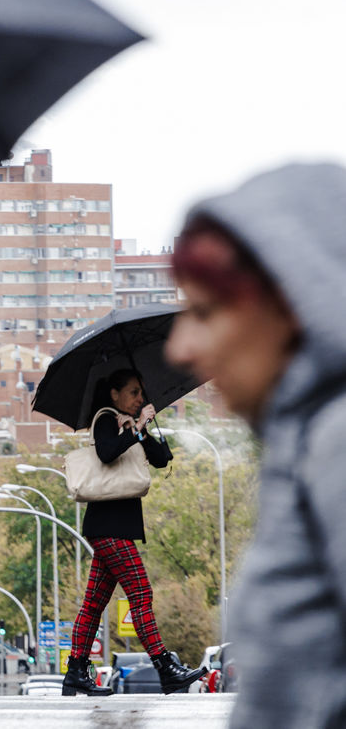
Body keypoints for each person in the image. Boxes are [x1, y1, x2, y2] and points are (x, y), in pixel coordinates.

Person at [164, 164, 346, 726]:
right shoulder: (306, 440)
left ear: (291, 305)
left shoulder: (337, 438)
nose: (179, 348)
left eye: (205, 312)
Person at [62, 369, 204, 696]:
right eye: (133, 392)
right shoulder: (105, 419)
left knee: (93, 604)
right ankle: (165, 668)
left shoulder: (131, 425)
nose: (140, 398)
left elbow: (162, 459)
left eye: (141, 393)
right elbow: (106, 453)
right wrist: (135, 427)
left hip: (115, 529)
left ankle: (76, 672)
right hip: (108, 527)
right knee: (140, 592)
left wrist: (144, 429)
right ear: (115, 394)